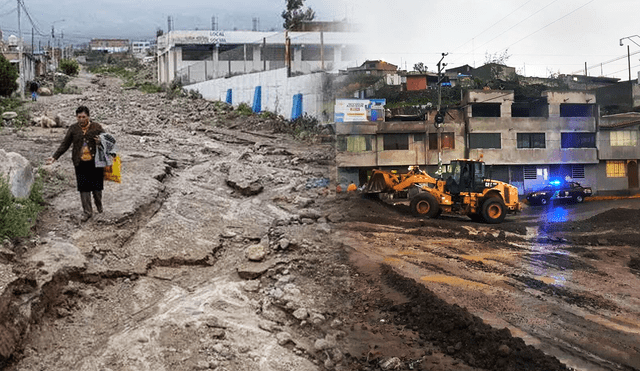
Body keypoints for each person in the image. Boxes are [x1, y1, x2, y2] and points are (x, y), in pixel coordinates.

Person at [46, 106, 105, 222]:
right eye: (79, 117)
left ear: (88, 116)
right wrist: (54, 157)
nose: (81, 119)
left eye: (84, 117)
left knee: (97, 188)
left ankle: (99, 206)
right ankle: (87, 212)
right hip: (80, 162)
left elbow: (108, 140)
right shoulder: (73, 129)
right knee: (84, 188)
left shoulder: (97, 127)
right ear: (76, 117)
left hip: (95, 162)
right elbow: (65, 144)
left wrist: (100, 141)